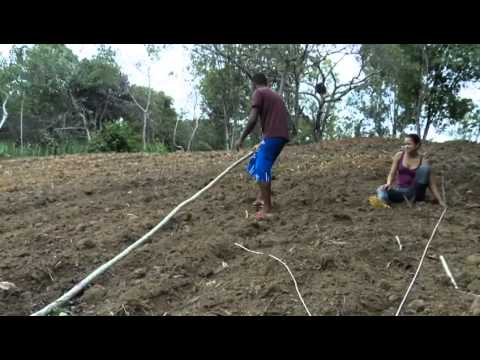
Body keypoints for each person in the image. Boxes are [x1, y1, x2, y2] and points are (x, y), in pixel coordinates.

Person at [235, 73, 290, 220]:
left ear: (254, 83)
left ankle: (267, 208)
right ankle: (261, 197)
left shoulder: (259, 92)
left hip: (273, 136)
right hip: (280, 136)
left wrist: (241, 138)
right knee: (255, 162)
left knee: (261, 168)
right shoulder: (274, 94)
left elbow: (253, 118)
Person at [376, 133, 446, 207]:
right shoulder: (399, 155)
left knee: (425, 168)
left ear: (417, 145)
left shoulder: (423, 161)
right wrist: (388, 183)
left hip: (415, 193)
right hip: (401, 191)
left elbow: (432, 184)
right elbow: (391, 174)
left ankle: (413, 201)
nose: (406, 146)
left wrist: (440, 200)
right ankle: (385, 202)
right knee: (381, 189)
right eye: (405, 144)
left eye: (409, 144)